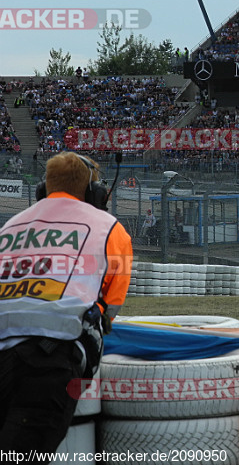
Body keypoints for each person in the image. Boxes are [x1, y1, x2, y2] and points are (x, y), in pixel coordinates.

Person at [0, 152, 133, 454]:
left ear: (42, 191)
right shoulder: (108, 228)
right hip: (49, 359)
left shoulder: (9, 228)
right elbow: (109, 307)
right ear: (94, 194)